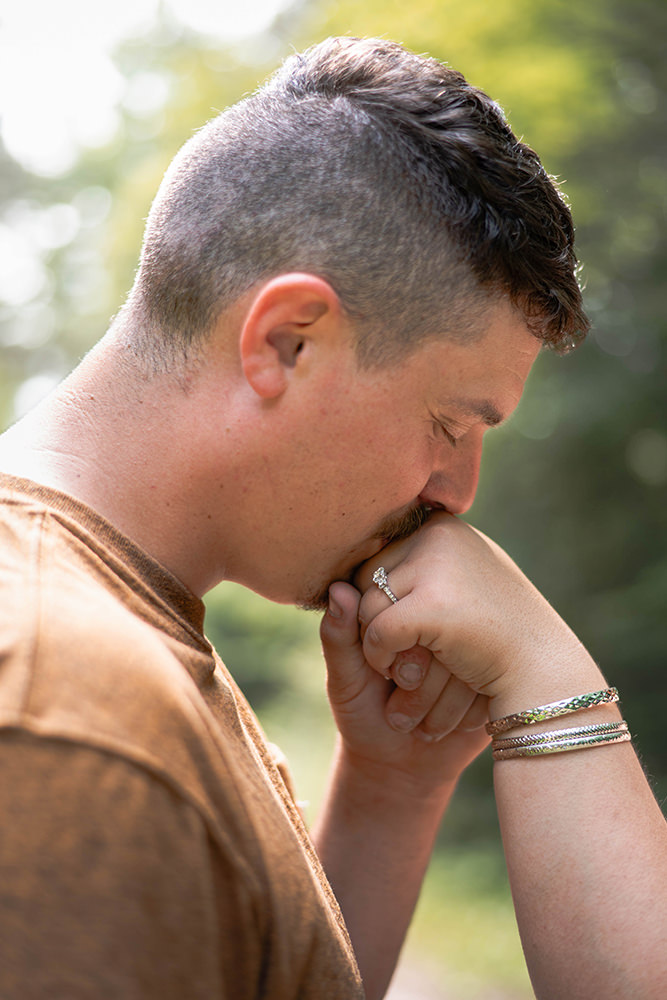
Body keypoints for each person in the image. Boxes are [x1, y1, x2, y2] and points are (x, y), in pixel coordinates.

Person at [0, 33, 664, 1000]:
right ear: (288, 342)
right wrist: (548, 676)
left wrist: (394, 792)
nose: (456, 492)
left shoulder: (117, 631)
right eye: (449, 422)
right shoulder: (67, 711)